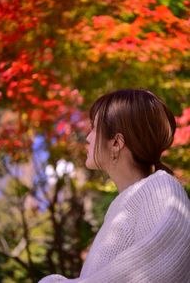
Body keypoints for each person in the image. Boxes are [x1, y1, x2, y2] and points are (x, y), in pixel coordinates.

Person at [39, 88, 190, 283]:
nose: (88, 137)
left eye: (94, 128)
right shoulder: (124, 203)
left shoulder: (160, 188)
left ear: (116, 143)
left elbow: (161, 268)